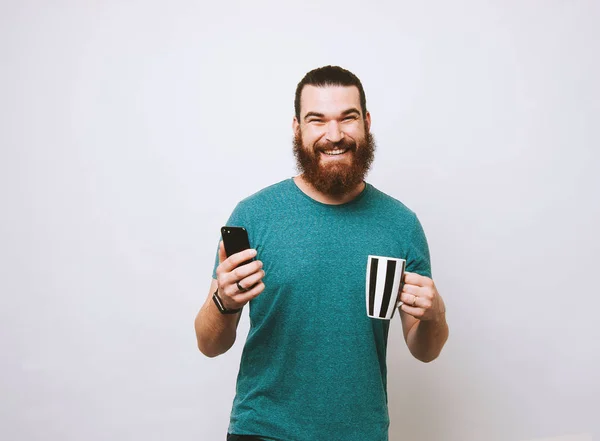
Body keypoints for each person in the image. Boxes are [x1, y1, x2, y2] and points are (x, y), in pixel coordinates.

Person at [194, 65, 449, 441]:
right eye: (317, 120)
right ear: (297, 128)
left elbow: (424, 349)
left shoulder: (400, 224)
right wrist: (224, 300)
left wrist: (435, 313)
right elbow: (209, 343)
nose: (334, 135)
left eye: (347, 118)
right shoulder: (254, 216)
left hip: (361, 433)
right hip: (263, 430)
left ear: (366, 122)